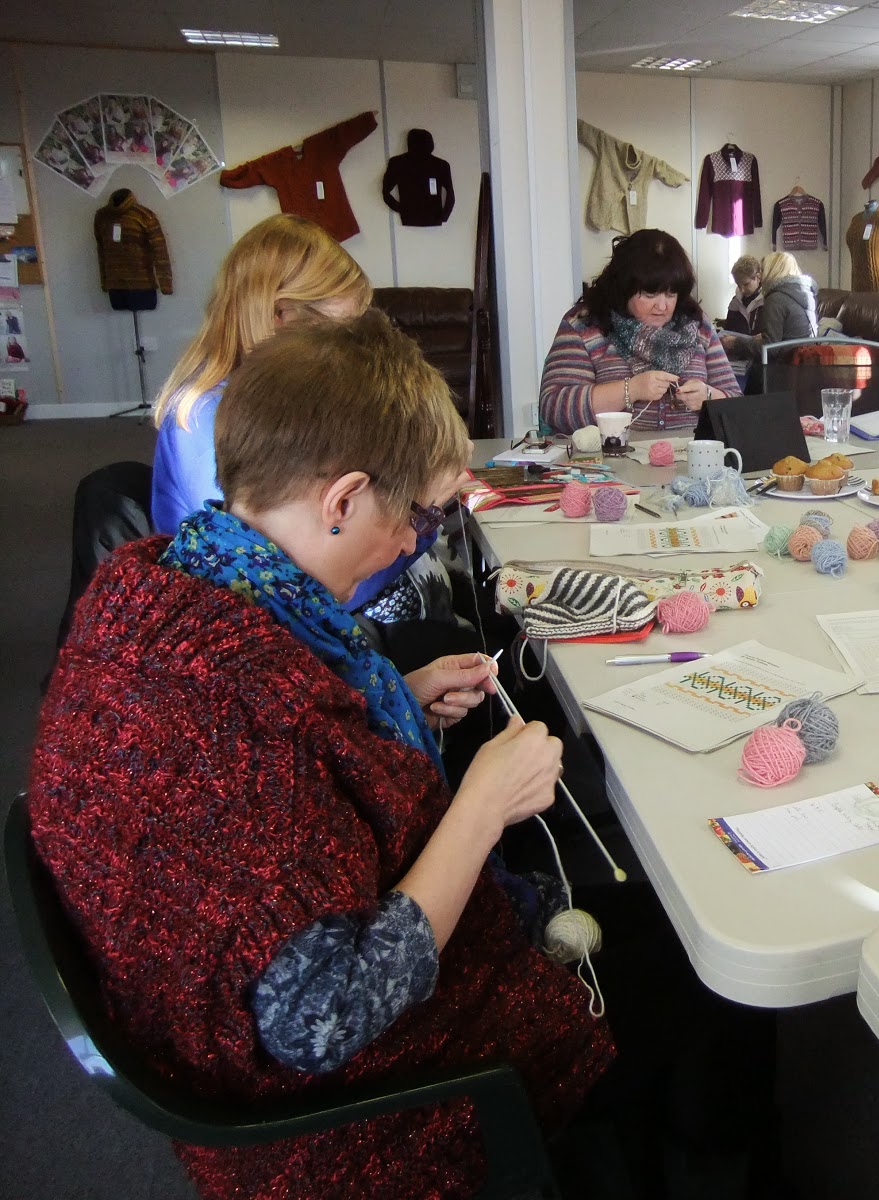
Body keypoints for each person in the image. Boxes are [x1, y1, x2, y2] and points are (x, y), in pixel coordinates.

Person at [30, 312, 614, 1199]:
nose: (414, 541)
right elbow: (324, 1015)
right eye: (413, 515)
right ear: (341, 501)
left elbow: (283, 796)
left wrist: (391, 699)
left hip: (261, 1042)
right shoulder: (228, 710)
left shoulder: (169, 593)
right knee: (674, 989)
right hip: (340, 1120)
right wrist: (480, 808)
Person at [149, 215, 421, 614]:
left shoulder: (277, 404)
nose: (351, 349)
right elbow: (295, 602)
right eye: (339, 333)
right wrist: (421, 514)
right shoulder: (208, 417)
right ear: (282, 317)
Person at [539, 229, 741, 435]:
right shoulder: (585, 325)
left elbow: (738, 405)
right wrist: (631, 390)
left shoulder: (697, 324)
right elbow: (553, 407)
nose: (662, 306)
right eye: (649, 294)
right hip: (610, 455)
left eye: (671, 294)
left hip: (692, 454)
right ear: (624, 288)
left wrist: (709, 396)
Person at [722, 254, 763, 334]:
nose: (742, 290)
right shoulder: (735, 303)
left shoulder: (768, 301)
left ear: (758, 277)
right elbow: (728, 331)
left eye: (746, 284)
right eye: (738, 285)